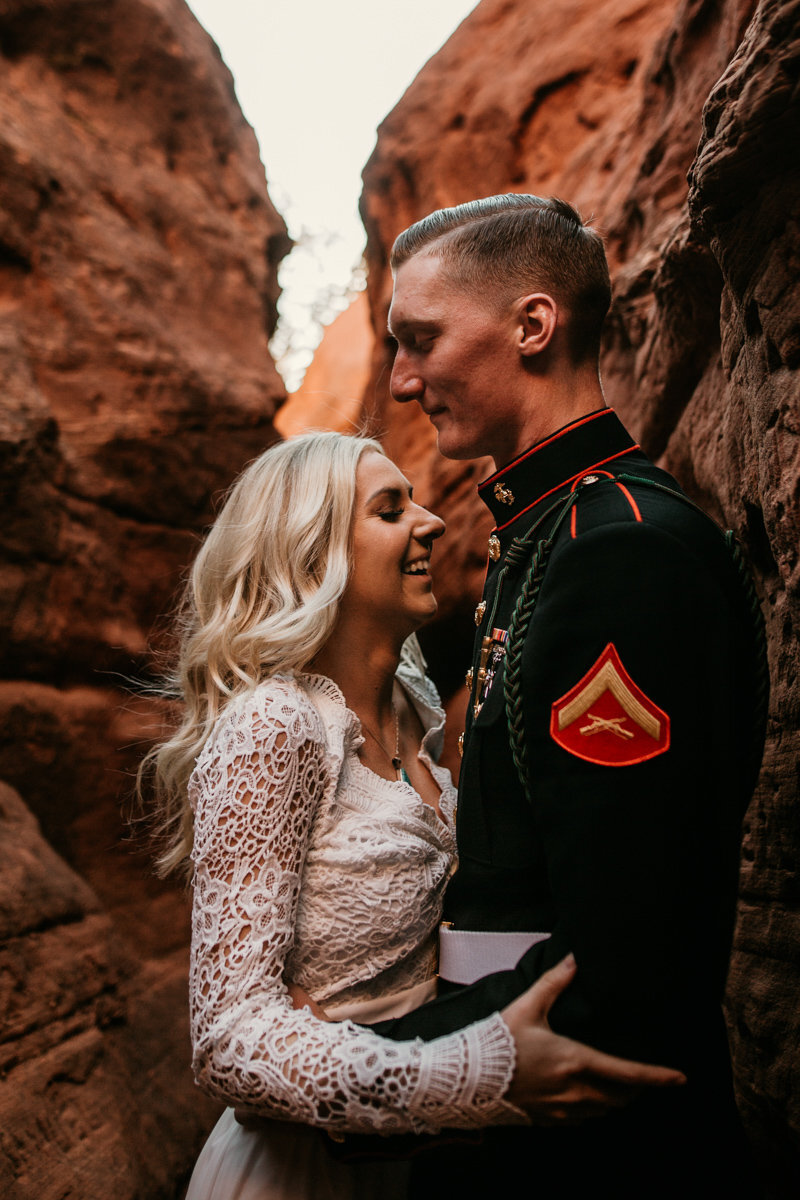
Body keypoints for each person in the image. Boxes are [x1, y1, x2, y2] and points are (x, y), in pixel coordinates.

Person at [141, 431, 683, 1200]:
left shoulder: (414, 707)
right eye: (392, 510)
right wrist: (476, 1072)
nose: (431, 521)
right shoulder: (276, 725)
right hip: (299, 1173)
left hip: (414, 1161)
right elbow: (227, 1041)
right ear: (312, 553)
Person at [365, 194, 768, 1196]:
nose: (402, 378)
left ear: (532, 326)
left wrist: (373, 1074)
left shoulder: (616, 549)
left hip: (589, 1148)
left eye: (419, 340)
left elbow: (619, 964)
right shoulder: (547, 532)